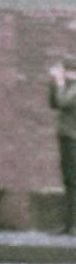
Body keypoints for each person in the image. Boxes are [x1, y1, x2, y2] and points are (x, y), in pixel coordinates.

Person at [52, 60, 76, 235]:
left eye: (66, 71)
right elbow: (53, 103)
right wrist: (53, 83)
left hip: (73, 139)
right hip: (66, 139)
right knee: (68, 182)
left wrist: (60, 83)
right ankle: (68, 224)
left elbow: (63, 103)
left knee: (73, 182)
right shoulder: (68, 87)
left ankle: (73, 225)